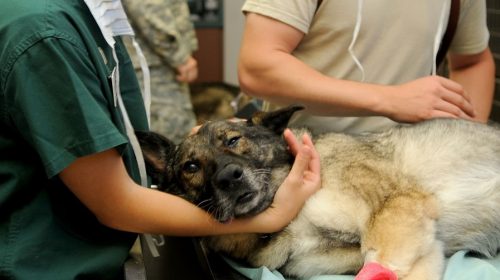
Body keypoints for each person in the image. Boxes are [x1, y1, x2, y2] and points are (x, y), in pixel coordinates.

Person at [0, 0, 321, 279]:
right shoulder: (45, 35)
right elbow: (115, 203)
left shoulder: (88, 14)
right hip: (47, 265)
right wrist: (272, 216)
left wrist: (210, 143)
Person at [239, 0, 495, 136]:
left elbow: (473, 61)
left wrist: (466, 140)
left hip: (414, 168)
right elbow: (257, 67)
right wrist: (390, 99)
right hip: (307, 167)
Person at [122, 0, 199, 143]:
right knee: (169, 142)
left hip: (154, 64)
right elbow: (149, 10)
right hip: (154, 68)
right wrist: (180, 57)